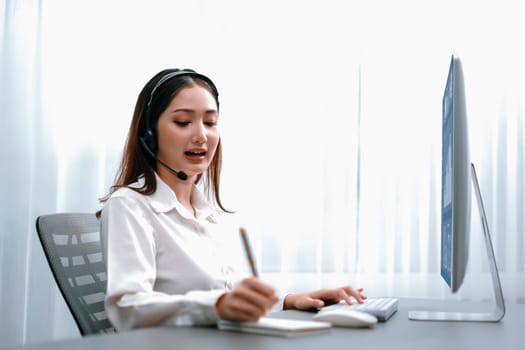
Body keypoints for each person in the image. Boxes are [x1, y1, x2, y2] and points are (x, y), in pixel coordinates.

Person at [99, 68, 366, 331]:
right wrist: (216, 306)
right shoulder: (130, 206)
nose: (201, 136)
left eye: (210, 122)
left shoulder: (208, 212)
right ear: (149, 133)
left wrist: (290, 301)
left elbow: (227, 292)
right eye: (183, 122)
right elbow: (127, 308)